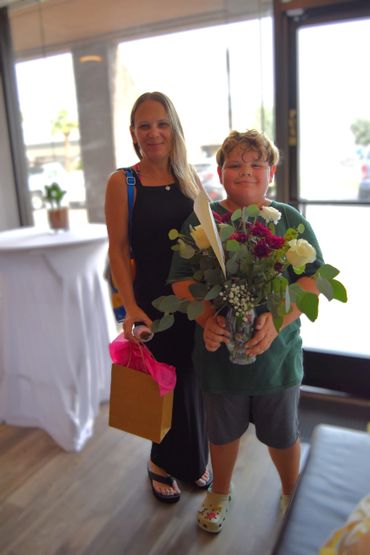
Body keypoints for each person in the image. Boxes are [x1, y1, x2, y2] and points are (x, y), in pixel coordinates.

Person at [168, 129, 325, 531]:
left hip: (277, 358)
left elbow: (313, 281)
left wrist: (278, 318)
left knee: (283, 434)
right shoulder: (205, 220)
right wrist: (207, 319)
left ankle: (293, 490)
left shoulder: (289, 220)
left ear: (270, 171)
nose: (246, 171)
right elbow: (181, 281)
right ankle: (220, 490)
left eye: (256, 164)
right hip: (219, 357)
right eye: (235, 165)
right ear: (220, 173)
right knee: (221, 433)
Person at [104, 91, 210, 503]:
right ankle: (160, 462)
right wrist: (129, 306)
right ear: (133, 133)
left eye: (161, 123)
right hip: (151, 300)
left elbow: (206, 239)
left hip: (192, 298)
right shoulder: (123, 182)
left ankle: (196, 456)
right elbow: (116, 249)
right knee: (162, 385)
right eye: (144, 125)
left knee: (193, 380)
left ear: (173, 128)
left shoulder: (189, 177)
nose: (154, 132)